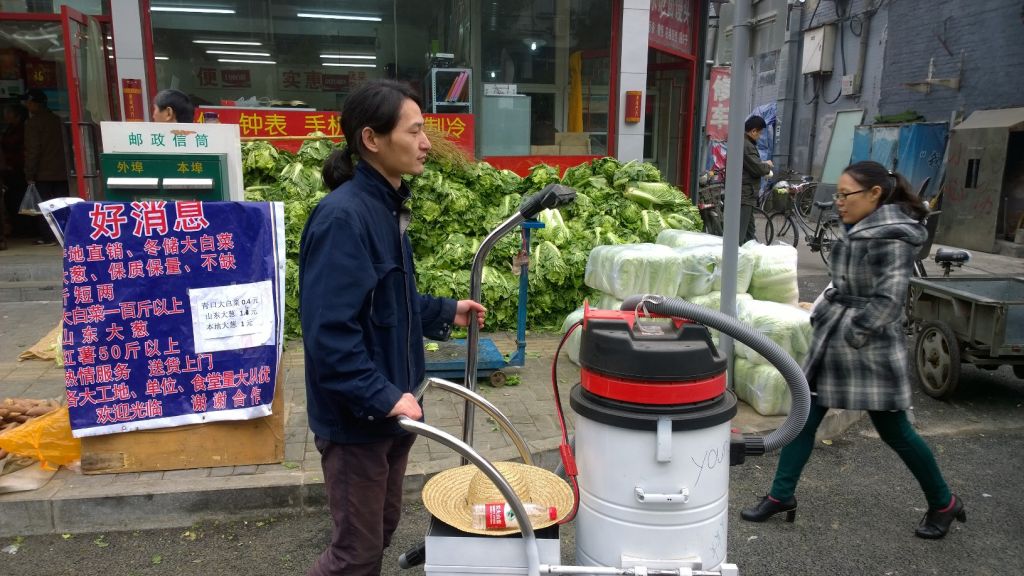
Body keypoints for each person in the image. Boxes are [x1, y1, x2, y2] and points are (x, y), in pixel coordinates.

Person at [299, 79, 487, 576]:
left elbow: (390, 302)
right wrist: (381, 395)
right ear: (372, 140)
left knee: (379, 529)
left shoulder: (388, 207)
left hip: (393, 407)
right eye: (416, 131)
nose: (427, 143)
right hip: (359, 417)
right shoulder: (344, 218)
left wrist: (446, 312)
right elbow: (329, 335)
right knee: (355, 553)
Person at [740, 160, 964, 540]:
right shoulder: (859, 227)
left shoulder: (891, 237)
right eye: (838, 194)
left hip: (867, 349)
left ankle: (944, 502)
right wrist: (825, 310)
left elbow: (890, 302)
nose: (839, 202)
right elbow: (842, 284)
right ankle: (781, 496)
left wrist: (852, 332)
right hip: (834, 343)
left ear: (875, 194)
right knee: (804, 419)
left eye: (847, 195)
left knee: (896, 431)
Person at [21, 89, 68, 246]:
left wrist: (29, 173)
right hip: (62, 171)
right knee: (62, 204)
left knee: (45, 206)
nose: (26, 106)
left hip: (44, 173)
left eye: (28, 102)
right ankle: (64, 233)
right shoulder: (57, 120)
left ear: (34, 104)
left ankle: (49, 236)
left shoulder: (33, 123)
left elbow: (33, 150)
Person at [740, 115, 773, 243]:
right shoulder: (747, 145)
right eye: (759, 133)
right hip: (745, 194)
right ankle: (735, 260)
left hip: (746, 195)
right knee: (741, 234)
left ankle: (750, 256)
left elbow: (752, 164)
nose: (759, 136)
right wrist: (767, 166)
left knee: (749, 232)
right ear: (753, 131)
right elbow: (757, 168)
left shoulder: (744, 143)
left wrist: (762, 164)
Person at [1, 103, 29, 250]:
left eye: (7, 113)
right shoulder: (11, 129)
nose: (5, 117)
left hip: (17, 169)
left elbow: (19, 149)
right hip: (10, 170)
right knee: (13, 201)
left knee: (18, 200)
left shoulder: (21, 130)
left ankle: (24, 229)